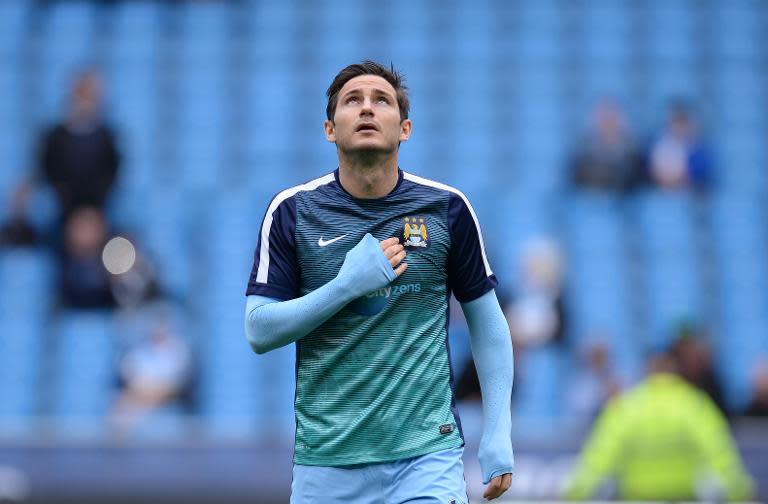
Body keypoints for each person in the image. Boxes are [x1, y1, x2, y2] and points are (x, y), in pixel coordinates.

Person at [243, 61, 514, 503]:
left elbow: (487, 324)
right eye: (353, 100)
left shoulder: (447, 208)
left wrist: (498, 432)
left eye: (380, 100)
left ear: (404, 128)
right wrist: (346, 285)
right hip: (326, 463)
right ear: (330, 129)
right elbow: (258, 330)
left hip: (427, 458)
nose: (367, 108)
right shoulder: (292, 211)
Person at [564, 348, 754, 501]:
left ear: (647, 372)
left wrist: (575, 494)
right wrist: (740, 493)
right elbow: (720, 454)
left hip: (638, 497)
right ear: (675, 372)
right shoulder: (694, 404)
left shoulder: (627, 407)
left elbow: (599, 458)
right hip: (683, 497)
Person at [11, 70, 120, 243]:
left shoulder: (108, 138)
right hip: (61, 214)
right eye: (83, 95)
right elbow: (45, 172)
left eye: (92, 97)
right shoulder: (54, 138)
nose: (87, 103)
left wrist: (90, 214)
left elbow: (112, 177)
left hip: (97, 213)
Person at [569, 99, 643, 193]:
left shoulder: (633, 153)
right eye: (604, 118)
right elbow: (577, 178)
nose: (608, 122)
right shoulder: (583, 152)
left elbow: (633, 179)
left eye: (612, 117)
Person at [646, 100, 712, 192]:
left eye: (683, 122)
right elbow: (650, 172)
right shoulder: (659, 144)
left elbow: (701, 176)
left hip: (688, 192)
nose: (679, 126)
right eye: (676, 122)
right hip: (660, 190)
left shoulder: (699, 149)